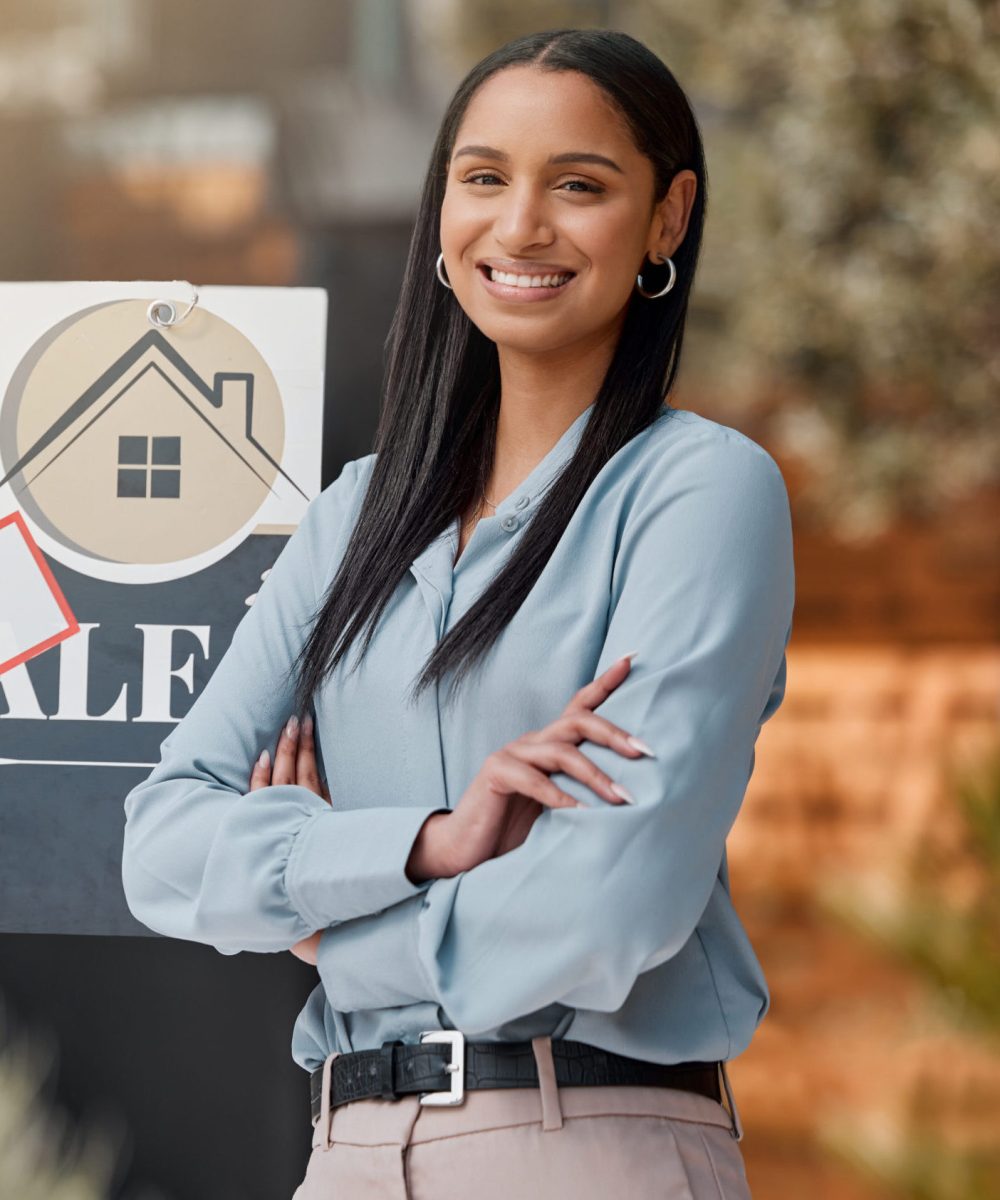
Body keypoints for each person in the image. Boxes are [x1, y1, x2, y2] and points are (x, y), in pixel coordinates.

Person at [121, 26, 795, 1200]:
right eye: (482, 179)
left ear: (667, 217)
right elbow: (162, 843)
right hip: (348, 1152)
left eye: (577, 185)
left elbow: (609, 907)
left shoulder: (698, 492)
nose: (520, 226)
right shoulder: (352, 518)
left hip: (581, 1141)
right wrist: (429, 840)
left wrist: (326, 933)